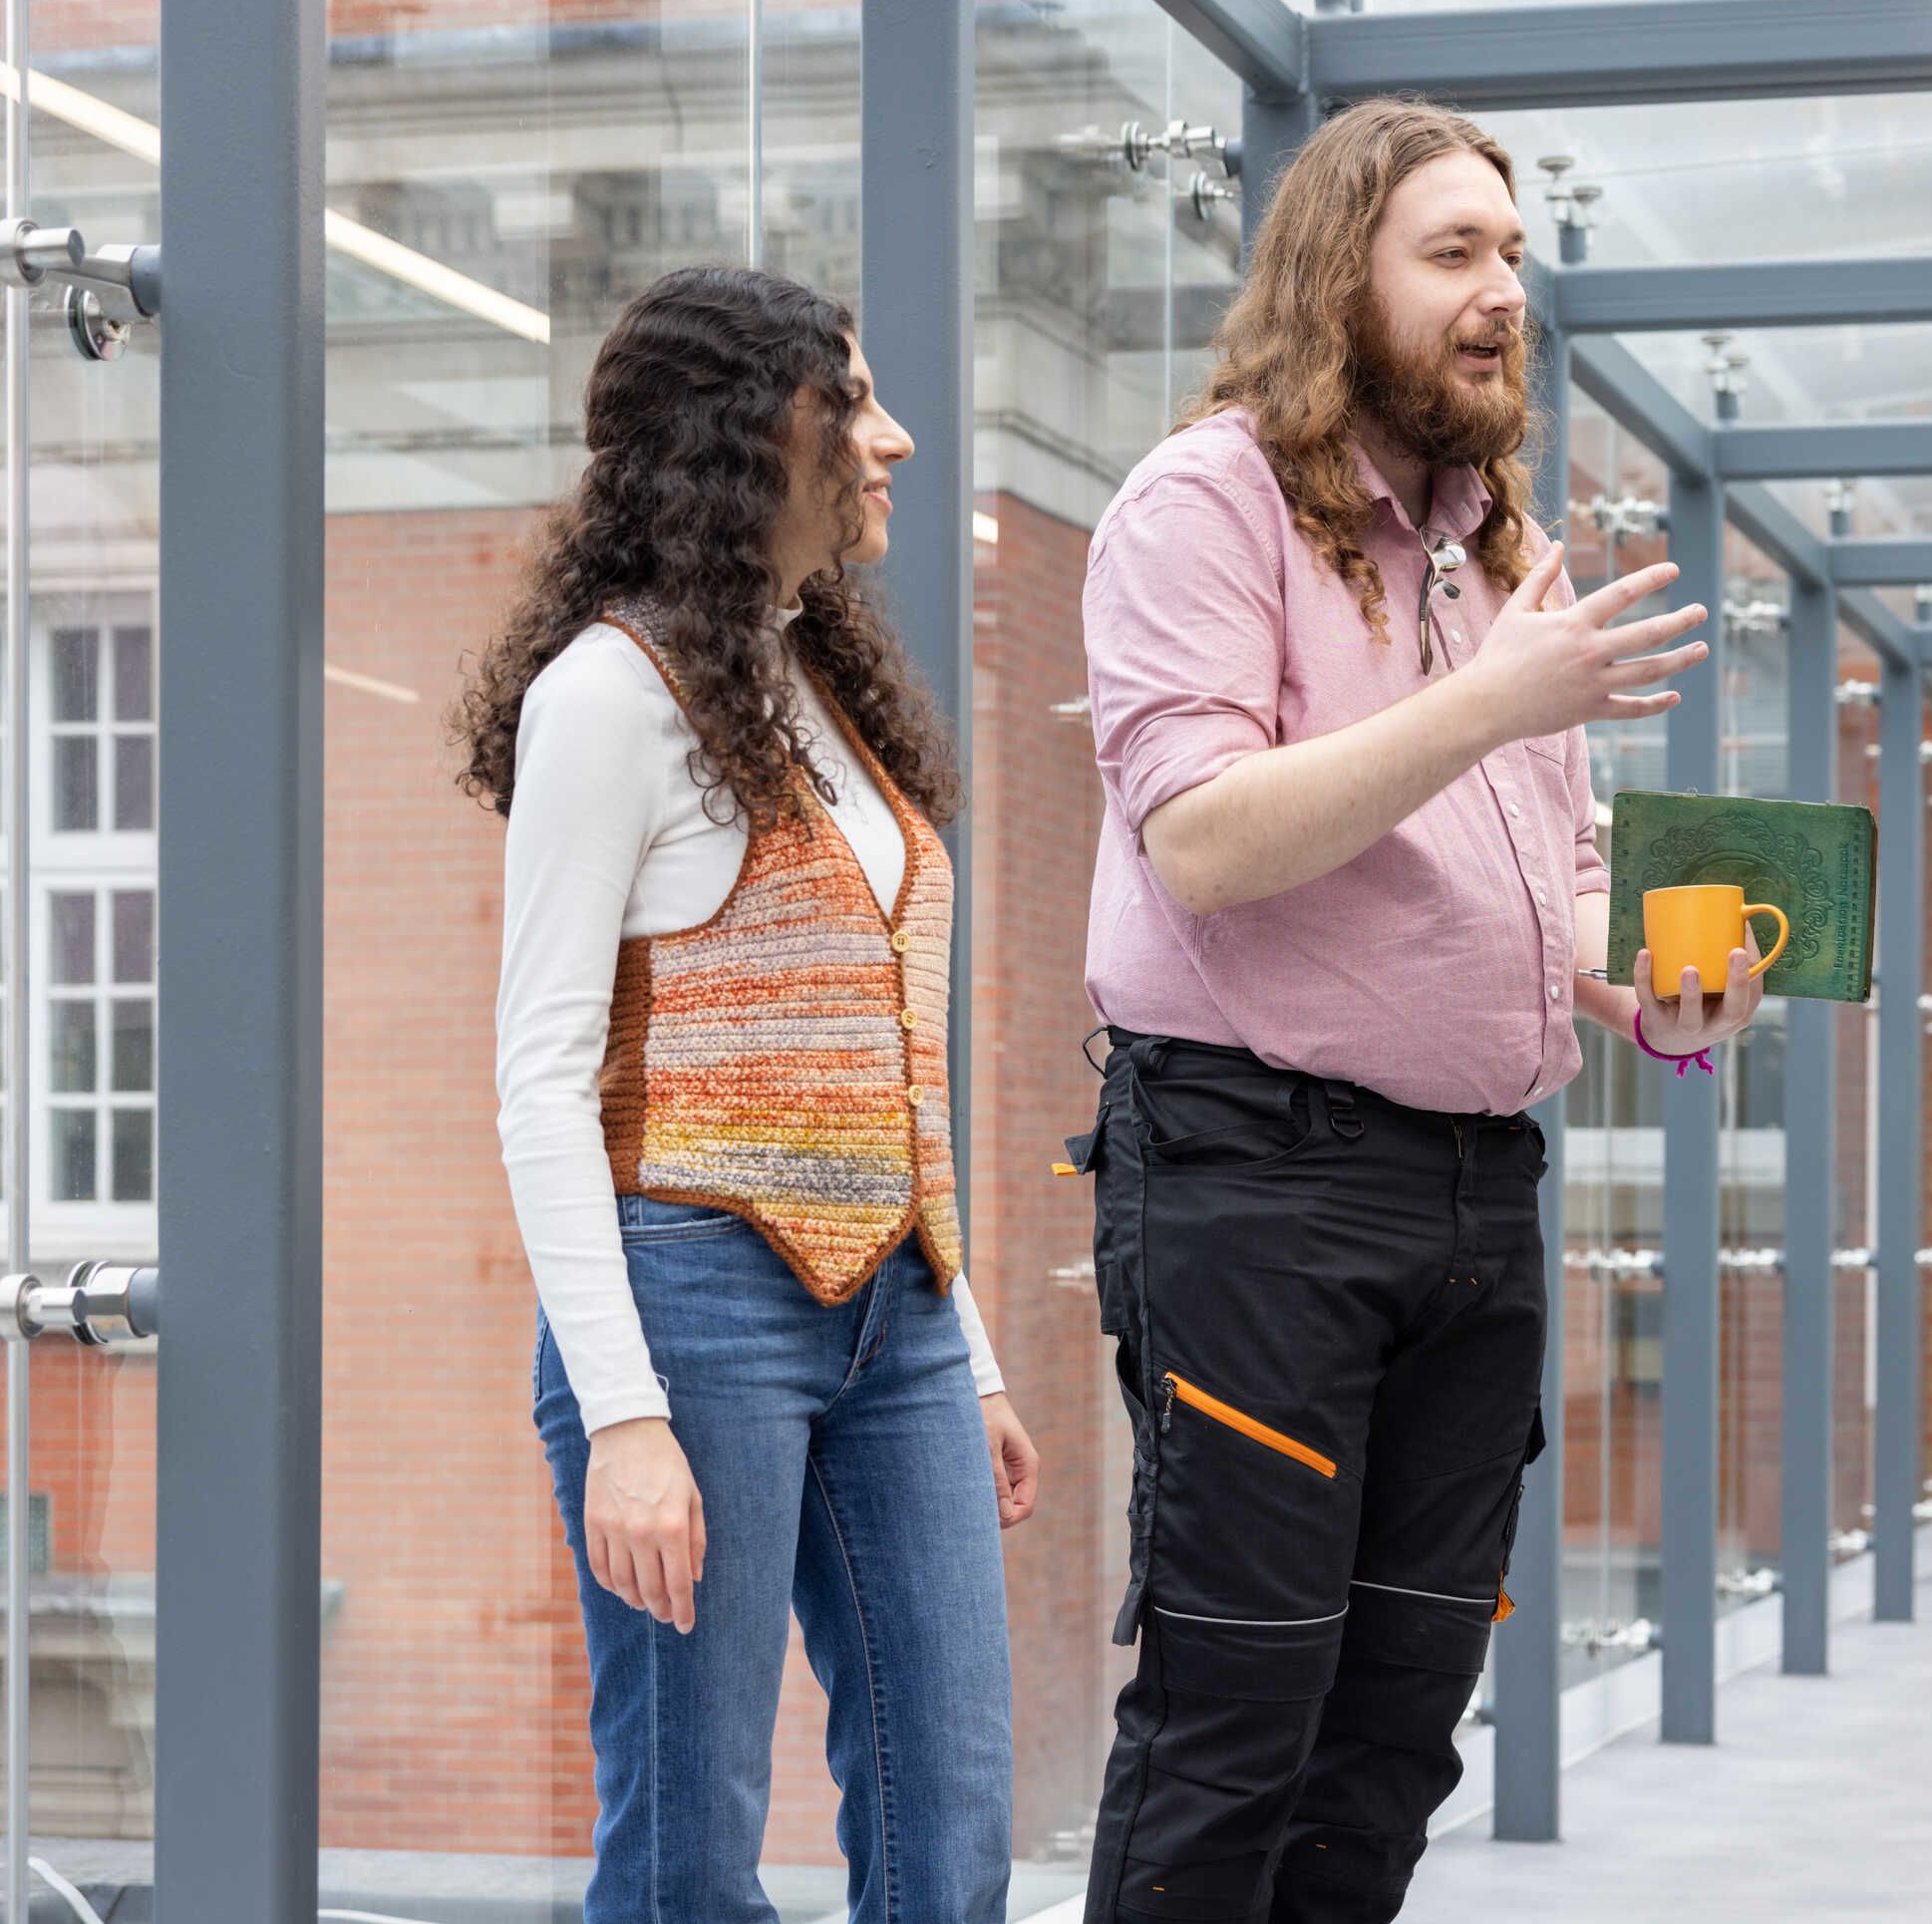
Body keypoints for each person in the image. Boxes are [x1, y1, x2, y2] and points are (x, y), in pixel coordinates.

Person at [1069, 96, 1738, 1924]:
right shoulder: (1202, 504)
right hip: (1257, 1184)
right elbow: (1201, 838)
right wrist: (1497, 700)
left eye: (1512, 256)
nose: (1502, 292)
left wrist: (1651, 987)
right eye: (1454, 255)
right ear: (1332, 283)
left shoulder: (1489, 545)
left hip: (1475, 1199)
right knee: (1236, 1718)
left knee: (1393, 1740)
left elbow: (1559, 868)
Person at [458, 265, 1037, 1923]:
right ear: (741, 436)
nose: (894, 439)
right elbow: (540, 1081)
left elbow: (881, 1058)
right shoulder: (607, 697)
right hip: (686, 1304)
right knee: (688, 1850)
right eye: (848, 401)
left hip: (899, 1318)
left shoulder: (826, 686)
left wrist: (967, 1336)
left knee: (954, 1820)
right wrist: (624, 1415)